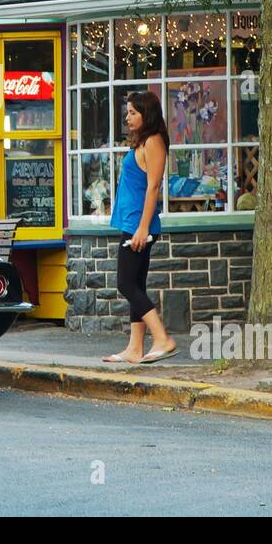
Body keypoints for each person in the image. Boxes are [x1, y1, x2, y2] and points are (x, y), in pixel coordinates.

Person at [103, 91, 177, 364]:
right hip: (133, 222)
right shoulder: (143, 142)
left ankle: (162, 338)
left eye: (133, 112)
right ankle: (135, 348)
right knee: (136, 284)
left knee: (125, 283)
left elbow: (153, 187)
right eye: (128, 112)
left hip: (139, 224)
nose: (128, 117)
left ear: (147, 114)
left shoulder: (154, 141)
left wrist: (143, 229)